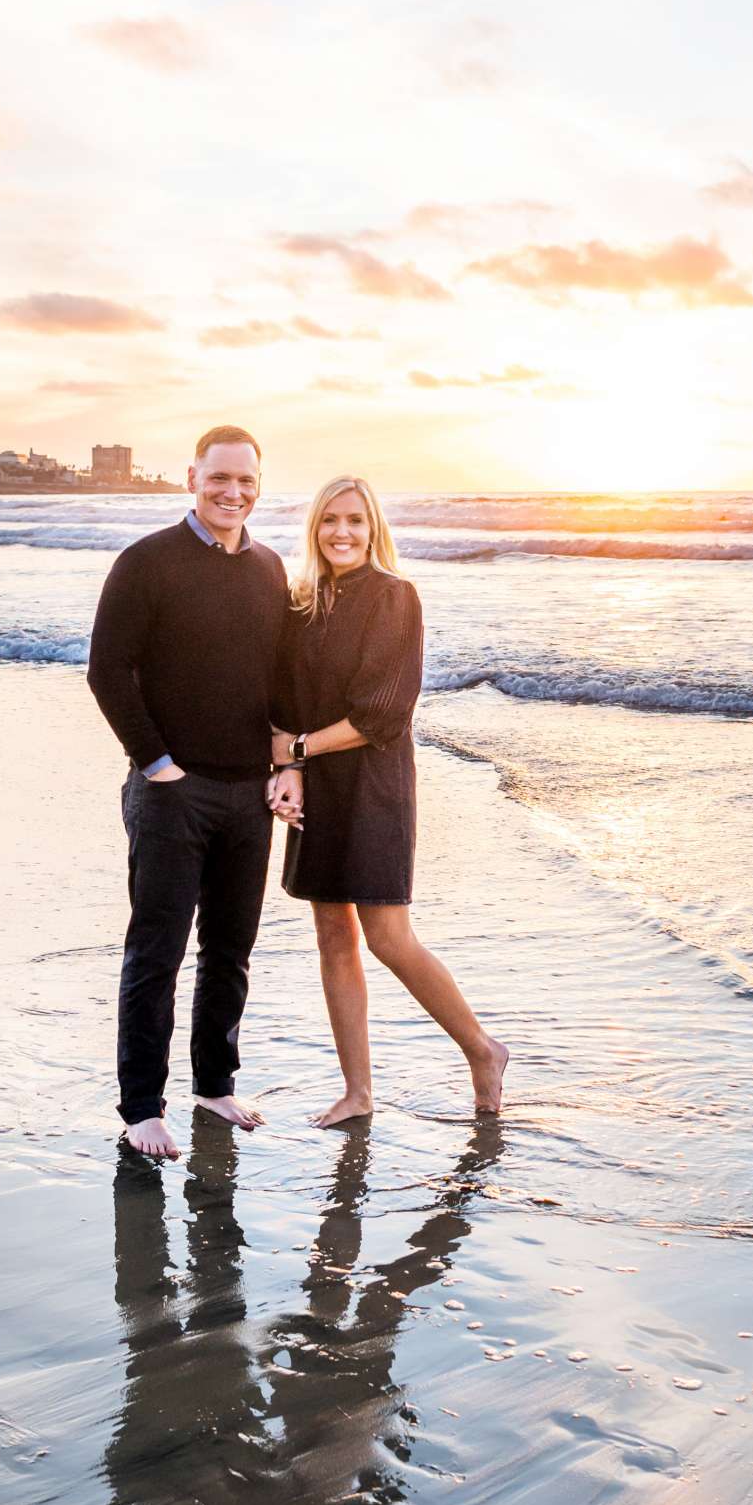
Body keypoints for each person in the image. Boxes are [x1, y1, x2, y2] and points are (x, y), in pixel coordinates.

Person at [269, 475, 508, 1126]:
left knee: (387, 937)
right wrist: (286, 765)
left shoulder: (395, 597)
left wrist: (295, 754)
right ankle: (359, 1092)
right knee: (331, 935)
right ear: (314, 529)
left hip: (373, 784)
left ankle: (483, 1050)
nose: (341, 532)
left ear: (374, 528)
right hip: (318, 781)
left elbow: (381, 714)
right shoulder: (302, 602)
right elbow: (281, 703)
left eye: (354, 520)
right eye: (329, 521)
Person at [88, 425, 287, 1161]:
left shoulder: (269, 569)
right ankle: (141, 1106)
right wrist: (157, 765)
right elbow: (107, 671)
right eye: (219, 478)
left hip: (248, 796)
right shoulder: (146, 562)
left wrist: (283, 763)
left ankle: (214, 1083)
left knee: (231, 949)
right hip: (171, 791)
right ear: (192, 478)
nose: (232, 492)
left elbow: (278, 679)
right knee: (158, 950)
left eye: (245, 480)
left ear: (259, 484)